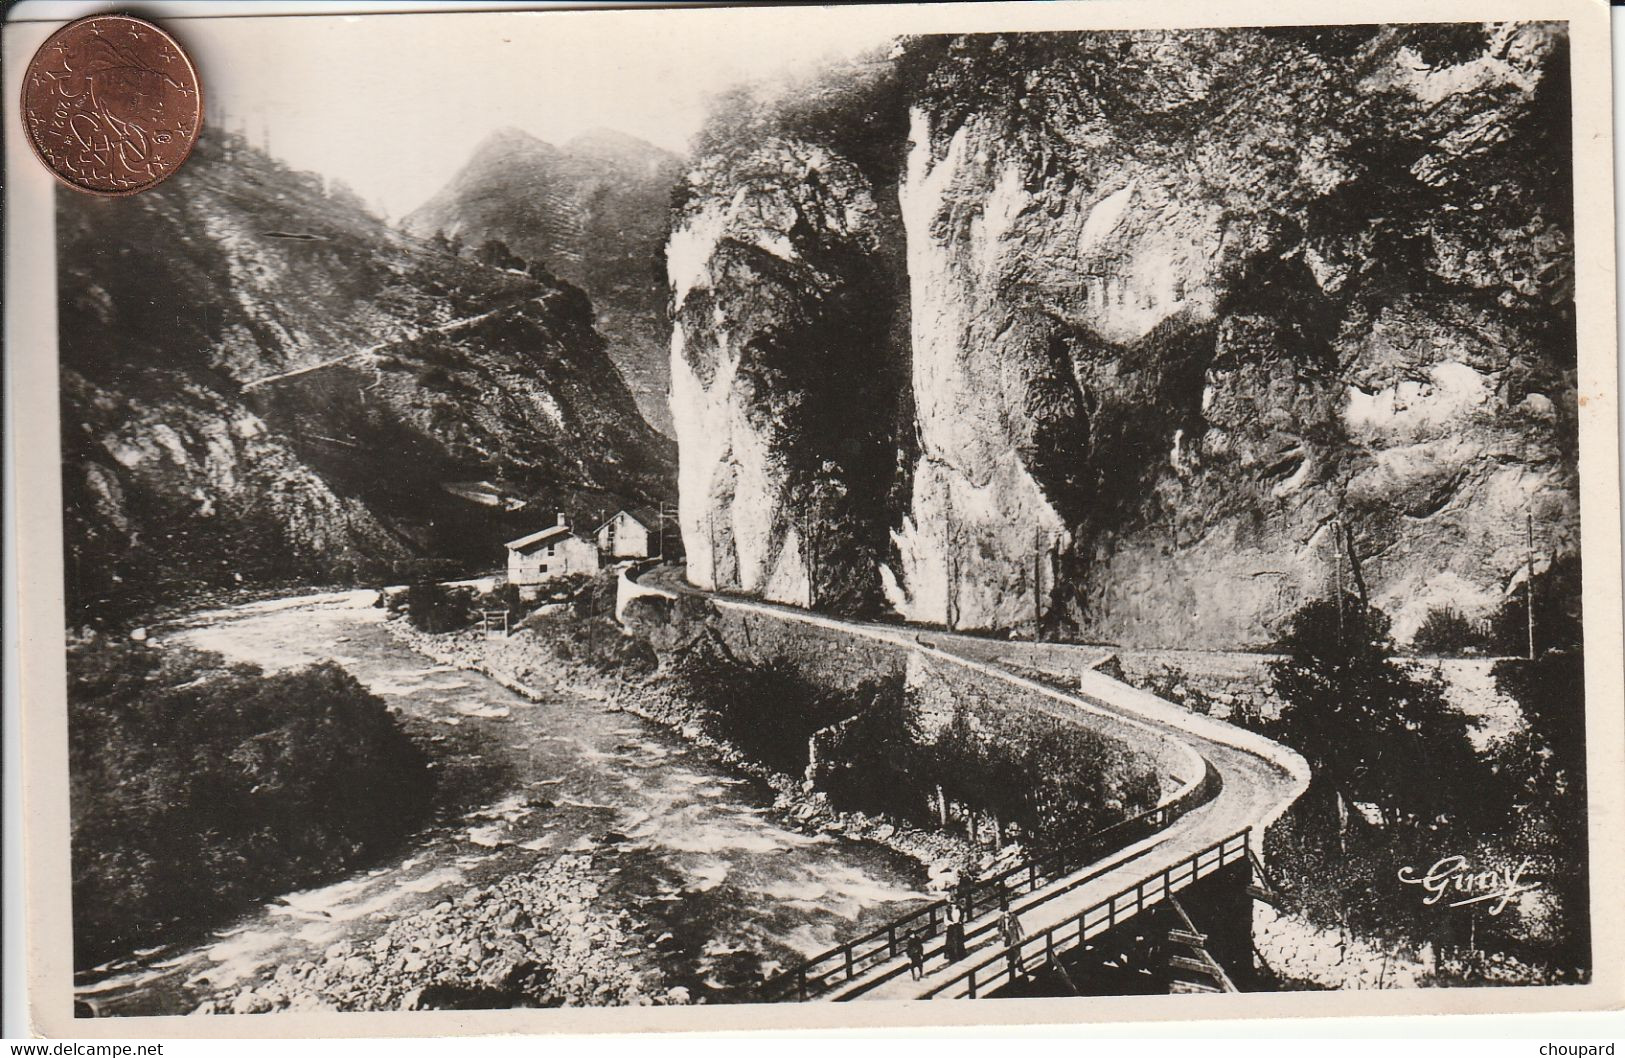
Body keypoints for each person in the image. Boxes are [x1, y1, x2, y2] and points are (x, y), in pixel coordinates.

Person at [999, 904, 1025, 980]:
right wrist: (1002, 936)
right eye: (1004, 911)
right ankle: (1010, 968)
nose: (1006, 912)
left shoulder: (1013, 916)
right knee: (1008, 952)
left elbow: (1019, 925)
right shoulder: (1001, 918)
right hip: (1007, 936)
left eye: (1006, 910)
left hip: (1013, 934)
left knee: (1017, 950)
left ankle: (1020, 967)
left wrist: (1023, 934)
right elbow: (1000, 928)